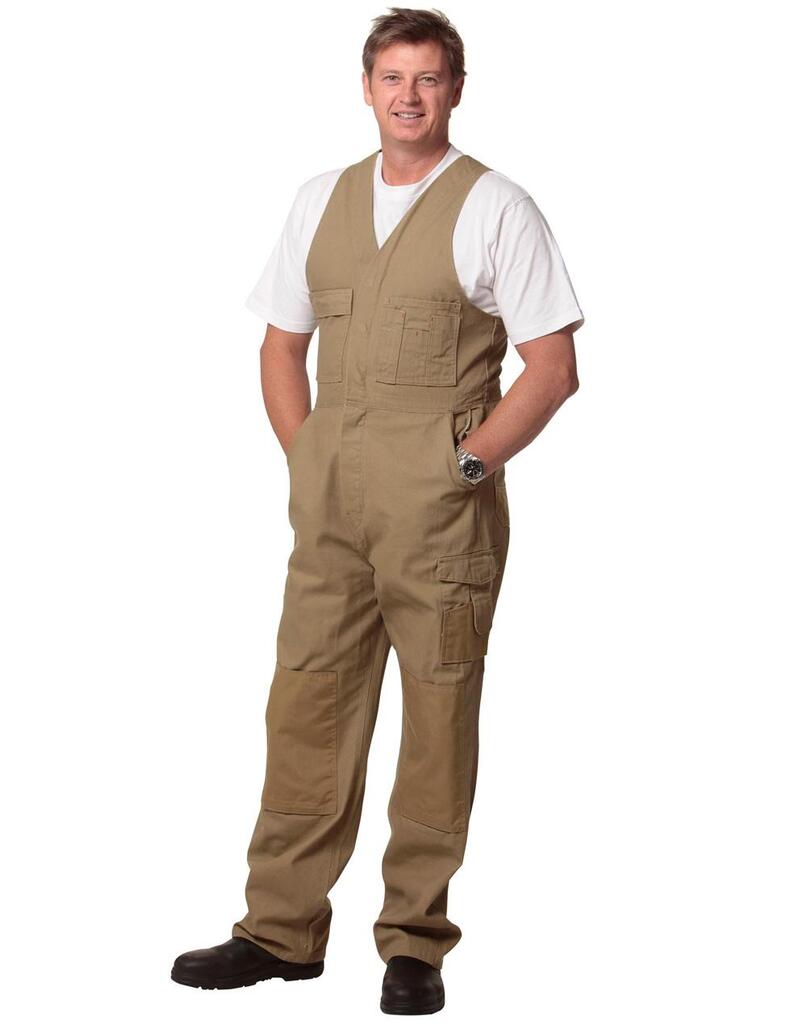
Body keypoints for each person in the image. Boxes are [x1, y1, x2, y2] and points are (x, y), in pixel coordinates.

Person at [171, 7, 584, 1015]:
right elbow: (281, 345)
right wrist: (308, 452)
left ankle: (413, 942)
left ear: (455, 91)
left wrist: (467, 465)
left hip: (440, 508)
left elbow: (552, 367)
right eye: (392, 77)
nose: (409, 95)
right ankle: (278, 930)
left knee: (437, 714)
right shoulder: (320, 198)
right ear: (365, 88)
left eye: (428, 78)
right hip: (331, 504)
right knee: (306, 703)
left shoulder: (496, 206)